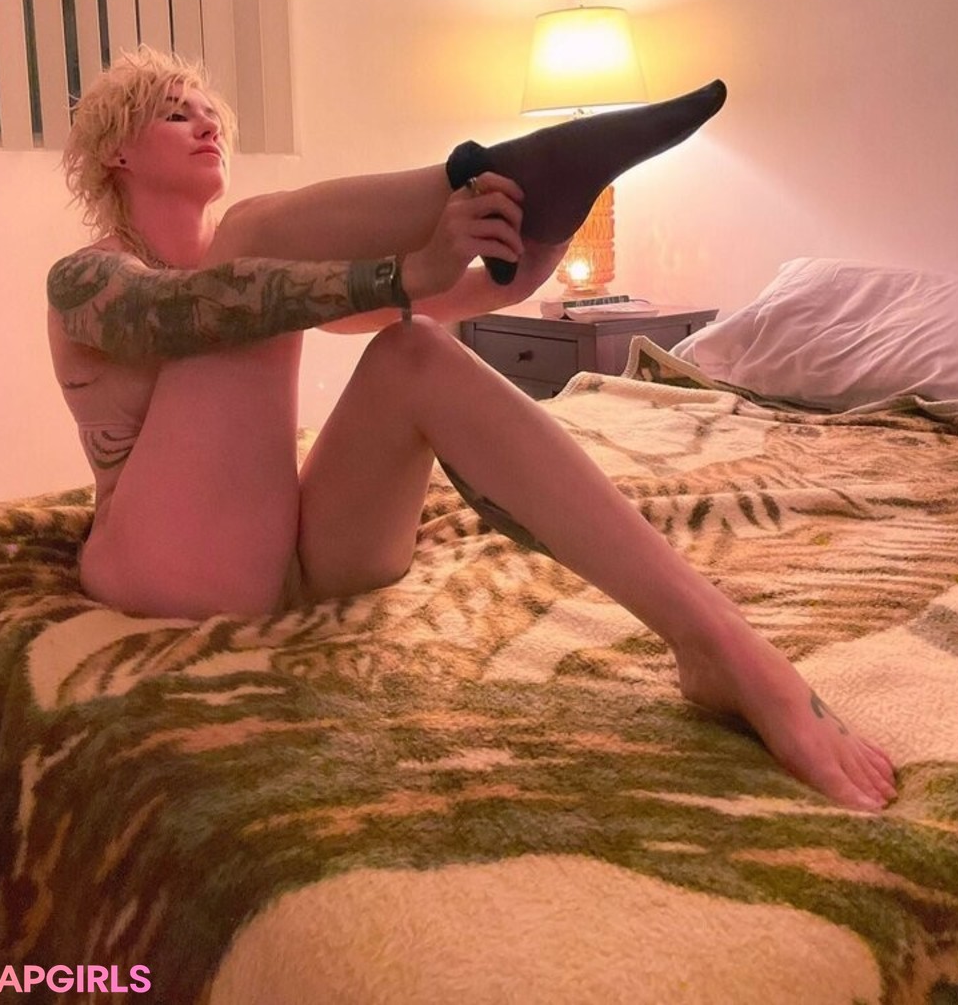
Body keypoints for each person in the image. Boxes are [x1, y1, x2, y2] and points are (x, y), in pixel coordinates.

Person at [47, 46, 896, 813]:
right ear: (117, 151)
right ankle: (490, 171)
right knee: (257, 233)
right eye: (175, 113)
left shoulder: (259, 273)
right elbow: (186, 313)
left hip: (299, 564)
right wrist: (410, 262)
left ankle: (714, 641)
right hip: (166, 573)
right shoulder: (86, 279)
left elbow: (433, 298)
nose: (205, 124)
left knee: (414, 349)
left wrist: (520, 251)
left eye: (209, 112)